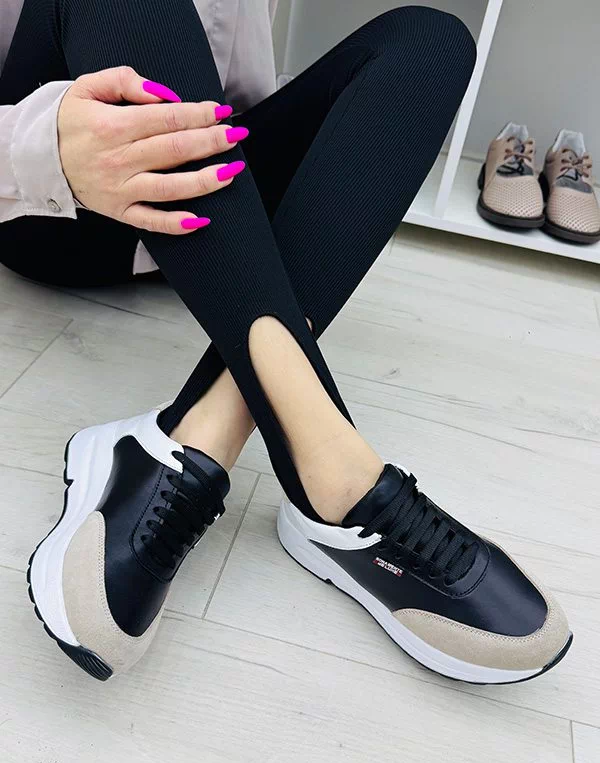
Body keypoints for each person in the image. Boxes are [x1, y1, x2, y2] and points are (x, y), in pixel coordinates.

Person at [1, 0, 571, 684]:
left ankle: (200, 438)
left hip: (213, 205)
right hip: (54, 202)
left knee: (432, 42)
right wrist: (40, 149)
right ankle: (338, 485)